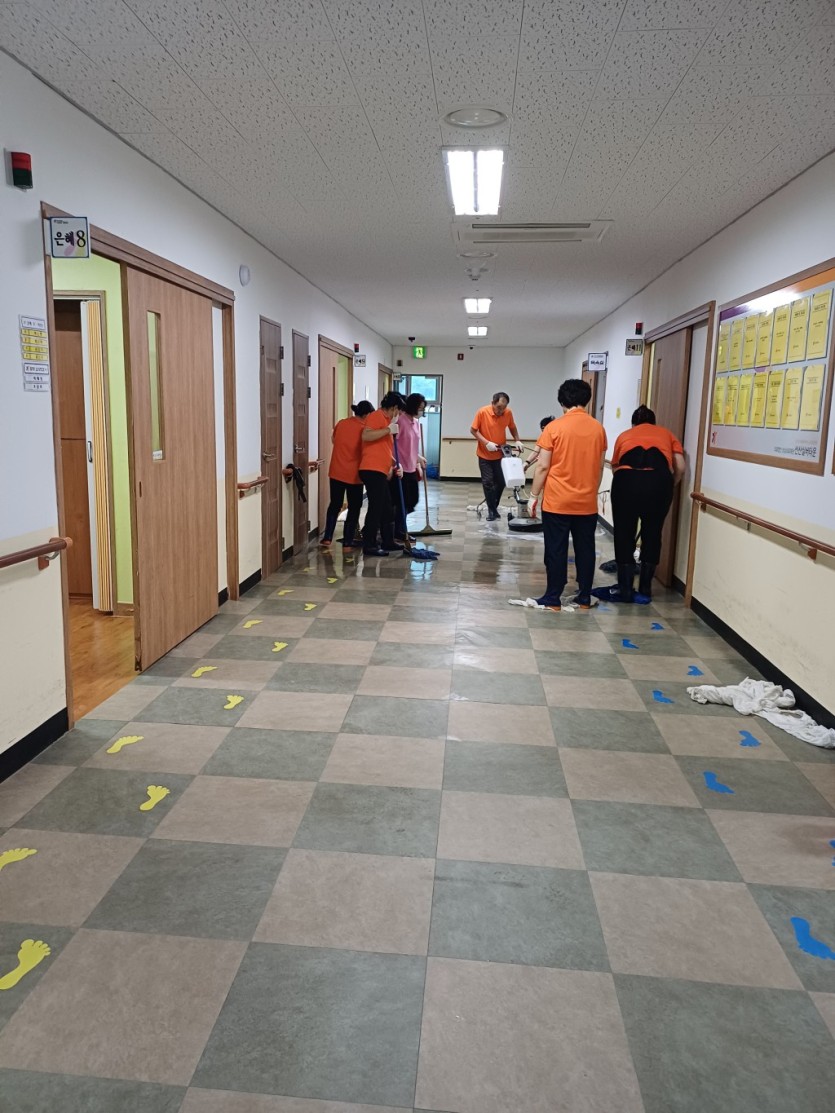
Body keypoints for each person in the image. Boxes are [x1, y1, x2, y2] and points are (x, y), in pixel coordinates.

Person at [528, 380, 607, 610]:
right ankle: (584, 597)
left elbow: (543, 466)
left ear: (562, 401)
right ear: (587, 400)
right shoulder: (598, 429)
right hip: (586, 503)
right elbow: (600, 467)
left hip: (557, 502)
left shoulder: (554, 428)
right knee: (585, 549)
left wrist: (533, 495)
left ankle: (553, 597)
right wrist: (591, 491)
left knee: (556, 549)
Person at [605, 405, 685, 603]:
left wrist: (628, 484)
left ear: (633, 423)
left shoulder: (625, 435)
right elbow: (680, 467)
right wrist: (670, 484)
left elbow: (615, 467)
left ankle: (625, 588)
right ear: (654, 423)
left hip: (626, 481)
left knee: (624, 533)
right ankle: (645, 588)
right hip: (659, 482)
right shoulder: (667, 434)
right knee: (653, 532)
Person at [320, 400, 374, 551]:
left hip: (336, 471)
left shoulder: (342, 423)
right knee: (354, 507)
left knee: (335, 504)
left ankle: (327, 537)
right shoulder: (365, 430)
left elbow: (334, 440)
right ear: (366, 414)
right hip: (354, 475)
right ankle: (348, 542)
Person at [359, 390, 406, 556]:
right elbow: (366, 436)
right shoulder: (376, 416)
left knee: (386, 507)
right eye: (399, 411)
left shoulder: (387, 421)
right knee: (376, 508)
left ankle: (388, 541)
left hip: (380, 470)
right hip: (371, 469)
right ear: (393, 408)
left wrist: (395, 464)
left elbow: (383, 448)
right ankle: (369, 544)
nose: (399, 415)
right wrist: (387, 430)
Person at [470, 391, 523, 520]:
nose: (501, 411)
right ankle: (492, 511)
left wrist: (517, 440)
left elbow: (512, 427)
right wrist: (486, 443)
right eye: (499, 407)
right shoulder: (482, 412)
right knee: (488, 482)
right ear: (492, 403)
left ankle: (493, 506)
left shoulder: (508, 413)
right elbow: (473, 430)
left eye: (504, 408)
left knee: (501, 482)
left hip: (500, 454)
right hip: (484, 454)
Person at [390, 392, 427, 542]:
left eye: (423, 408)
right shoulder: (400, 421)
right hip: (401, 468)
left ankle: (397, 527)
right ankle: (399, 531)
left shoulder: (416, 423)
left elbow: (412, 444)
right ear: (412, 406)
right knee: (402, 502)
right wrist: (394, 463)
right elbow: (391, 444)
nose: (421, 411)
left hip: (412, 467)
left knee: (412, 500)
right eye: (420, 408)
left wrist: (418, 458)